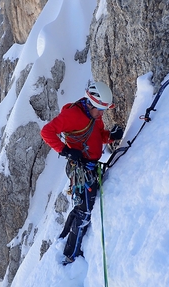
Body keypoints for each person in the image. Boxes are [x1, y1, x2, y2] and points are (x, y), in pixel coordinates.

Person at [40, 81, 123, 264]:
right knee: (84, 211)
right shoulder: (72, 115)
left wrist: (111, 136)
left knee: (80, 208)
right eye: (99, 110)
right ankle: (71, 255)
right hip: (81, 169)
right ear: (91, 103)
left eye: (103, 110)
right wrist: (65, 150)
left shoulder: (94, 114)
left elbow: (97, 135)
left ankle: (63, 238)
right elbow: (47, 132)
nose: (101, 114)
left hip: (90, 166)